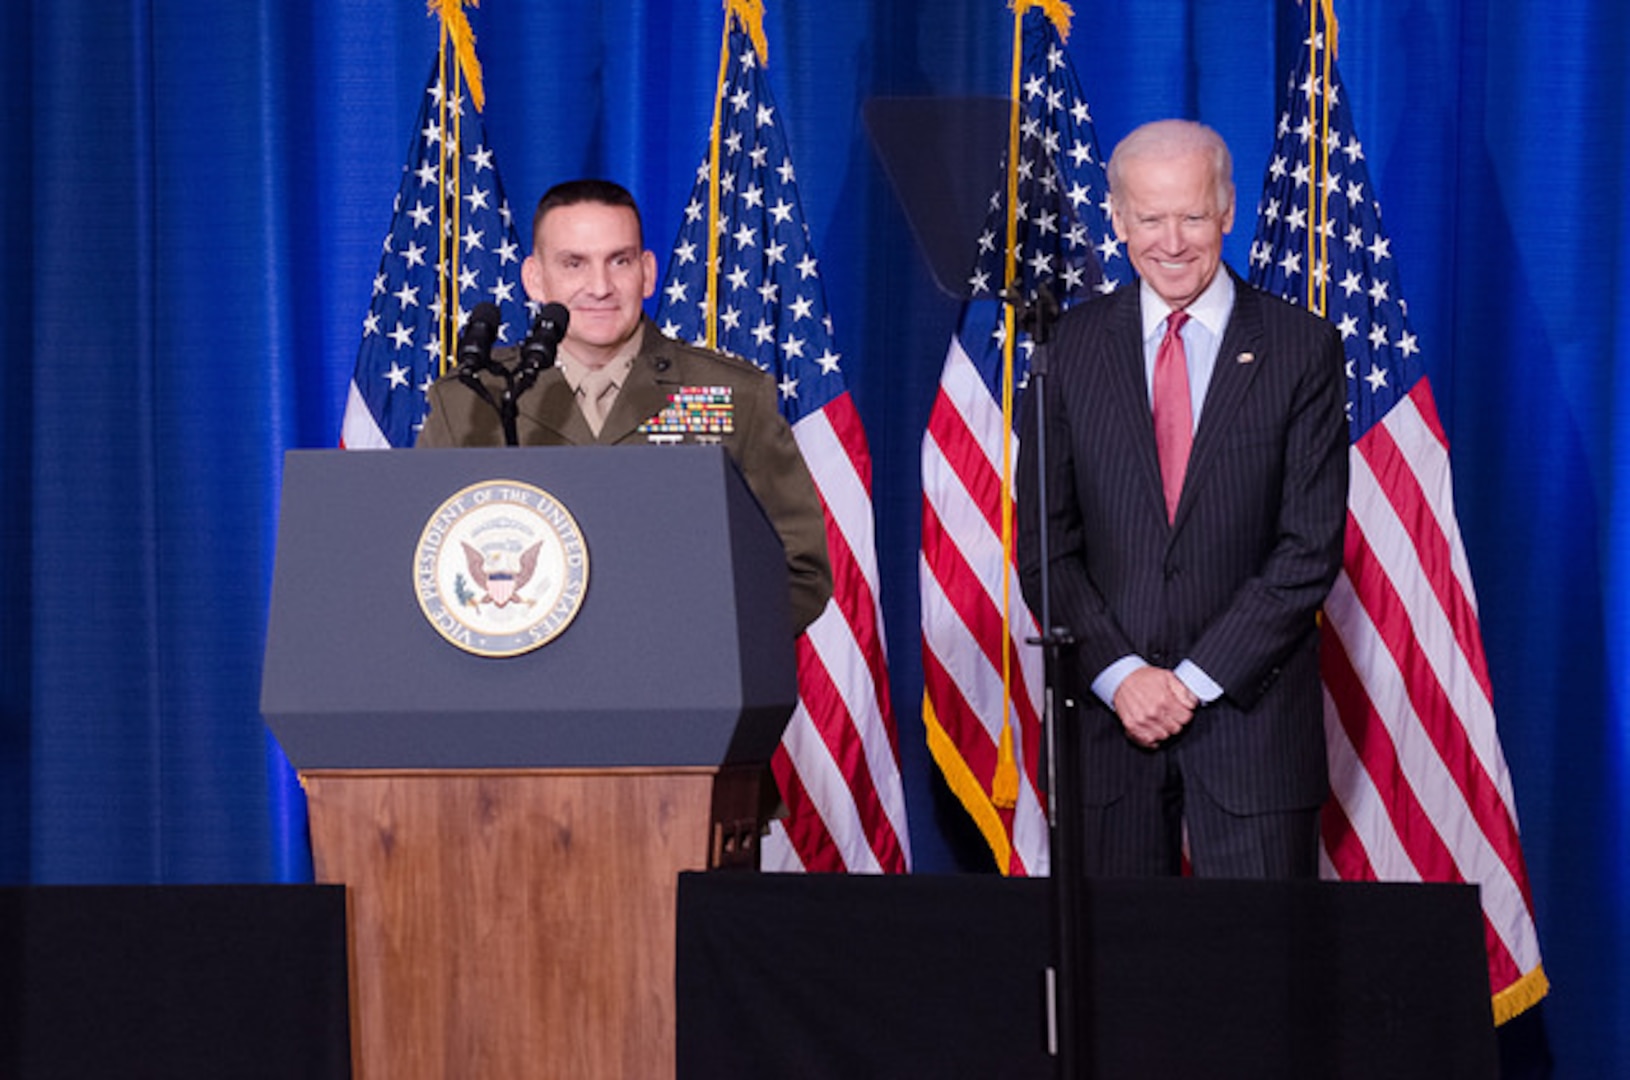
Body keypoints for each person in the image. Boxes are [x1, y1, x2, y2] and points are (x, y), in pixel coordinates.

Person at [1017, 119, 1349, 879]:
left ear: (1228, 211)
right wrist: (1121, 675)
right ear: (1119, 219)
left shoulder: (1302, 348)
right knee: (1116, 986)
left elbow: (1307, 550)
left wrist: (1192, 683)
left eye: (1193, 216)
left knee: (1260, 984)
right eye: (1150, 218)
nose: (1172, 241)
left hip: (1251, 733)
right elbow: (1044, 542)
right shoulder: (1066, 348)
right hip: (1106, 735)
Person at [418, 179, 832, 634]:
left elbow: (800, 568)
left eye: (620, 261)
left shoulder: (733, 394)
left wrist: (703, 646)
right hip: (519, 682)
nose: (600, 287)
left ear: (648, 272)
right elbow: (426, 559)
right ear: (534, 278)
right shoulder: (470, 400)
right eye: (573, 263)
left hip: (681, 687)